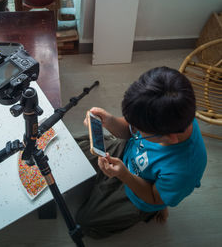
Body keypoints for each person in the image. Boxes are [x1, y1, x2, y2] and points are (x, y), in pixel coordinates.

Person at [75, 66, 207, 239]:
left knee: (86, 223)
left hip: (141, 192)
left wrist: (124, 175)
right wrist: (110, 121)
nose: (135, 130)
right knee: (72, 149)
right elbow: (130, 131)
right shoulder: (170, 115)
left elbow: (153, 196)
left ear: (170, 138)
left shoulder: (183, 170)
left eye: (140, 129)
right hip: (127, 153)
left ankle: (150, 213)